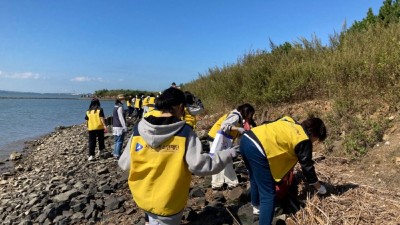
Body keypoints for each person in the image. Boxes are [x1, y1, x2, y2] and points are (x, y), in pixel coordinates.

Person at [127, 87, 236, 225]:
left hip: (142, 195)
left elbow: (125, 163)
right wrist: (227, 154)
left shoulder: (139, 129)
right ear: (180, 106)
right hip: (169, 201)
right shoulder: (184, 132)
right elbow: (200, 166)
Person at [239, 116, 328, 225]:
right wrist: (319, 187)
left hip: (246, 139)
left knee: (254, 177)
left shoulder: (289, 121)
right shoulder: (304, 139)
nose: (314, 142)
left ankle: (256, 207)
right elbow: (307, 167)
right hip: (257, 149)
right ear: (315, 135)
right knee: (268, 194)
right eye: (316, 140)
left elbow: (268, 124)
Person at [207, 103, 255, 189]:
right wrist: (238, 129)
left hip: (220, 139)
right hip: (217, 138)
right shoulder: (236, 116)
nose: (250, 117)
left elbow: (238, 135)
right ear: (246, 112)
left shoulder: (239, 118)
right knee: (223, 159)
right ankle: (230, 183)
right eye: (250, 114)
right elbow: (224, 126)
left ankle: (218, 184)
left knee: (220, 159)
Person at [112, 94, 128, 159]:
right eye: (123, 99)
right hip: (119, 126)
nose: (124, 100)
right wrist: (124, 127)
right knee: (119, 141)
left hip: (115, 125)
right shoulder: (120, 107)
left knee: (116, 140)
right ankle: (117, 154)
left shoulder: (115, 106)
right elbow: (121, 118)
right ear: (121, 100)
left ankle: (115, 153)